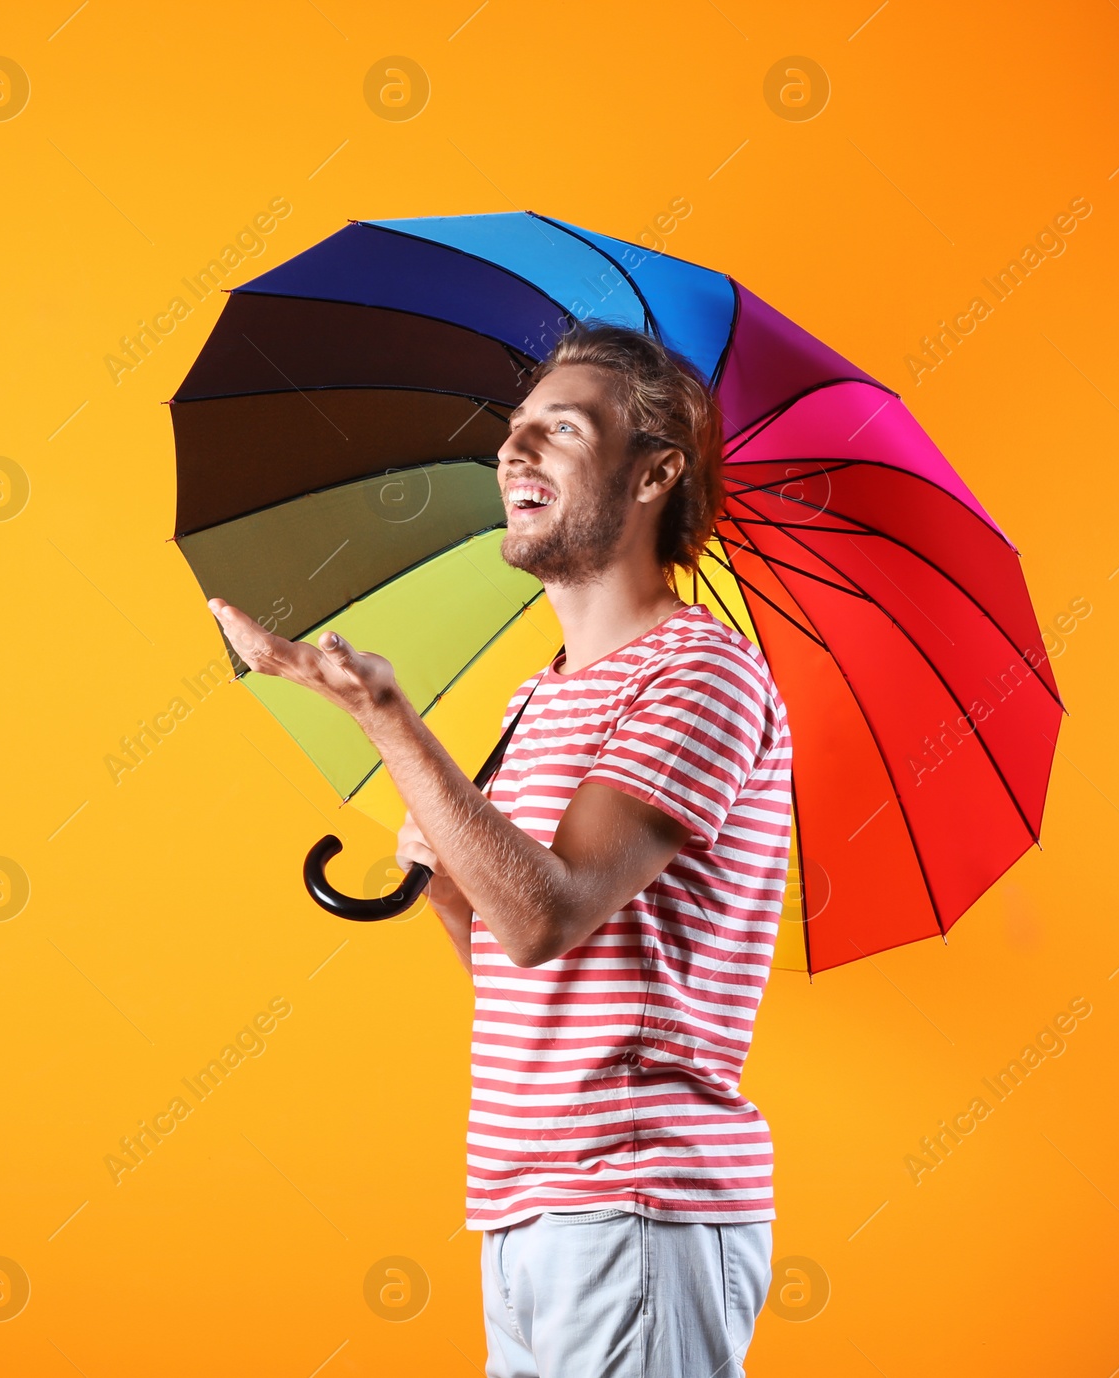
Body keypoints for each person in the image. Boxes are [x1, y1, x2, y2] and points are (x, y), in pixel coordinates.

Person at [209, 321, 794, 1377]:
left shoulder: (700, 672)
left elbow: (545, 916)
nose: (510, 454)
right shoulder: (541, 695)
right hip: (529, 1201)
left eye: (557, 431)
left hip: (635, 1200)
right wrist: (440, 874)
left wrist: (387, 719)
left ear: (655, 471)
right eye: (512, 433)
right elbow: (515, 970)